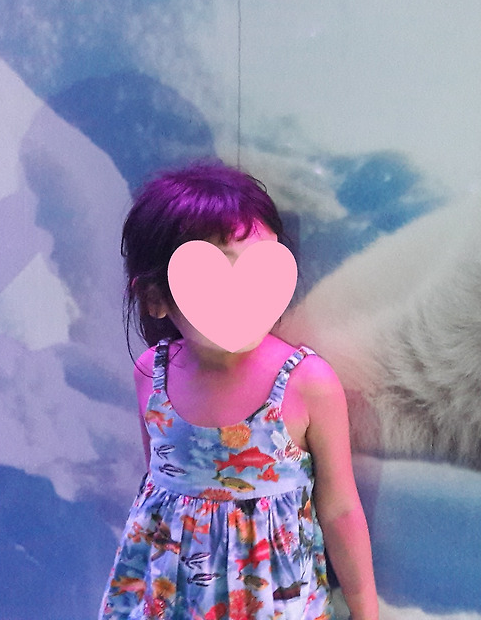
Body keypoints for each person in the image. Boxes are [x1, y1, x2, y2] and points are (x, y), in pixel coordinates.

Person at [100, 163, 378, 620]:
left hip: (271, 602)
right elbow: (157, 484)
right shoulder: (152, 373)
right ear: (155, 297)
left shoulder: (306, 383)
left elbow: (340, 508)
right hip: (169, 598)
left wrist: (365, 609)